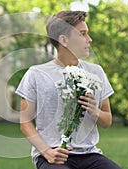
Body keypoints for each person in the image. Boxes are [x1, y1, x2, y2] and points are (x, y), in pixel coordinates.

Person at [15, 10, 121, 169]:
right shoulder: (36, 74)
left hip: (90, 154)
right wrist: (47, 152)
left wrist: (94, 110)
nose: (89, 40)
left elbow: (107, 121)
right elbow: (25, 123)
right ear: (64, 40)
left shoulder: (96, 72)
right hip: (52, 155)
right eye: (82, 34)